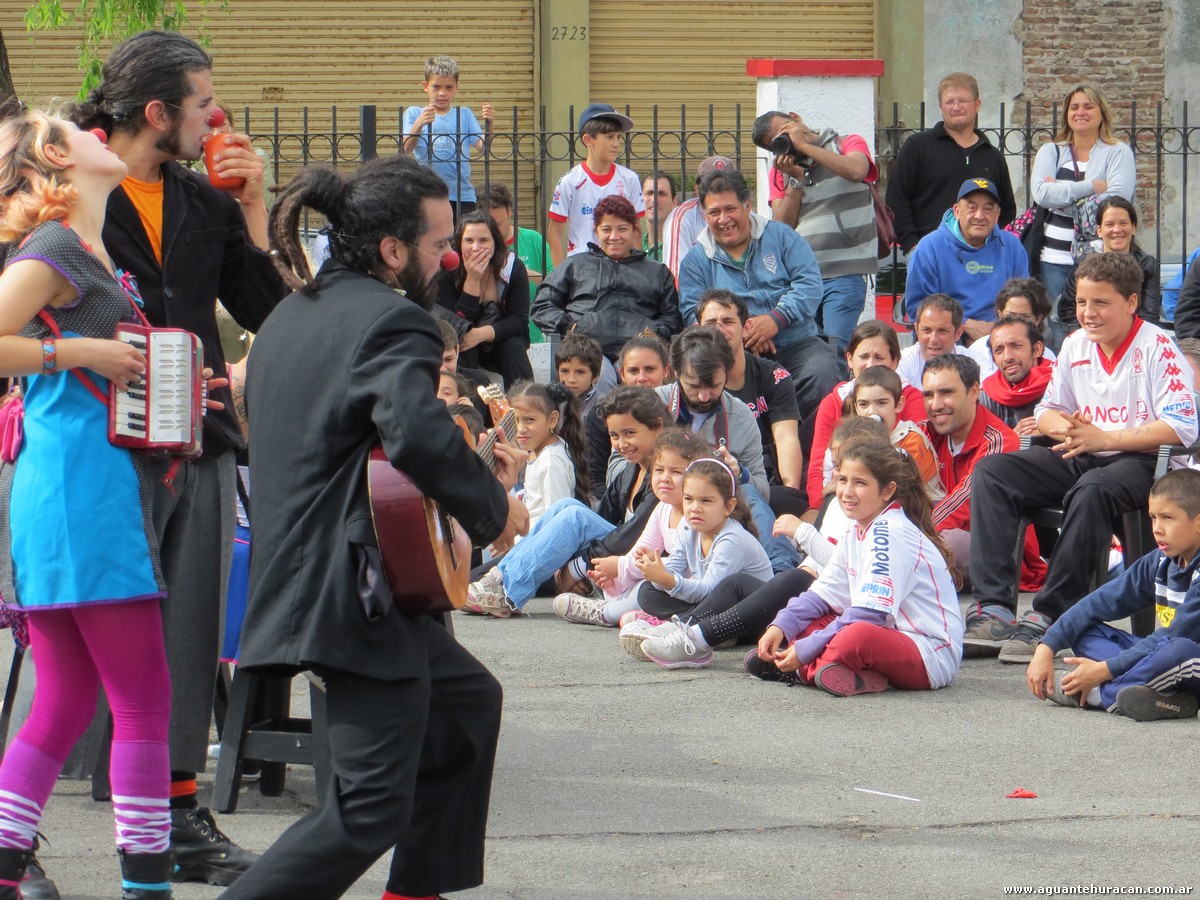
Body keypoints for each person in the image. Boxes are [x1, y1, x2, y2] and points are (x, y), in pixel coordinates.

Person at [226, 154, 528, 900]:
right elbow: (419, 436)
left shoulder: (294, 313)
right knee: (365, 810)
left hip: (331, 577)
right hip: (349, 591)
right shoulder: (395, 319)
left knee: (465, 708)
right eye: (436, 244)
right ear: (393, 250)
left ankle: (415, 891)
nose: (448, 257)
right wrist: (496, 512)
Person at [68, 30, 288, 885]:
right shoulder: (73, 196)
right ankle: (34, 821)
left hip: (195, 441)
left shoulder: (206, 204)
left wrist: (258, 210)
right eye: (202, 103)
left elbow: (270, 309)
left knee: (190, 628)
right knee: (83, 635)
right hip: (98, 442)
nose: (215, 118)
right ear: (157, 112)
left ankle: (178, 816)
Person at [0, 106, 178, 900]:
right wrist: (82, 352)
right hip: (86, 491)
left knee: (69, 698)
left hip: (66, 489)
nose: (96, 133)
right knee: (143, 699)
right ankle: (147, 884)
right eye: (76, 131)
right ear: (57, 164)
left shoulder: (89, 249)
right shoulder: (60, 246)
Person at [969, 252, 1198, 664]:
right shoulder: (1074, 345)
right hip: (1083, 450)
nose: (1088, 313)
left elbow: (1182, 427)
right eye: (1081, 303)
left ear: (1131, 302)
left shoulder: (1159, 347)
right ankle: (994, 609)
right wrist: (1069, 430)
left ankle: (1050, 615)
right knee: (993, 471)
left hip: (1147, 463)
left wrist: (1105, 437)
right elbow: (1047, 411)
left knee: (1092, 488)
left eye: (1100, 303)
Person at [745, 437, 964, 695]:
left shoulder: (889, 531)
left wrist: (805, 649)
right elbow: (821, 596)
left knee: (855, 636)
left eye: (860, 483)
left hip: (929, 652)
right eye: (842, 479)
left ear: (887, 491)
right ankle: (847, 673)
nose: (847, 491)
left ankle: (796, 669)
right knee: (810, 621)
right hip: (886, 632)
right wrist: (780, 626)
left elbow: (871, 615)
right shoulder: (857, 529)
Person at [464, 385, 665, 617]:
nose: (621, 444)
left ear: (657, 427)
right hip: (619, 555)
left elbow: (634, 534)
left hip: (649, 561)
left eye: (630, 433)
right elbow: (601, 523)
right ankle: (499, 580)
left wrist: (575, 569)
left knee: (575, 516)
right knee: (566, 507)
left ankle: (507, 593)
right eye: (614, 435)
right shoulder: (629, 472)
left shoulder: (665, 476)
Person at [678, 168, 840, 451]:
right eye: (714, 212)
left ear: (748, 205)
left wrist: (776, 319)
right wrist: (740, 332)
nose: (724, 219)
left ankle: (802, 462)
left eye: (731, 209)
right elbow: (693, 312)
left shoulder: (781, 237)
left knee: (823, 373)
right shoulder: (695, 260)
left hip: (796, 342)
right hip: (733, 355)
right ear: (704, 215)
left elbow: (810, 284)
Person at [1026, 469, 1200, 721]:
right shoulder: (1159, 561)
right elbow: (1097, 603)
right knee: (1086, 630)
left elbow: (1174, 637)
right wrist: (1047, 646)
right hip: (1163, 659)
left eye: (1168, 518)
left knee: (1177, 649)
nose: (1157, 529)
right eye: (1152, 517)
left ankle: (1092, 693)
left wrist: (1102, 671)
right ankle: (1166, 701)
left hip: (1188, 659)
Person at [653, 328, 794, 573]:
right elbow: (618, 469)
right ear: (675, 373)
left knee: (745, 489)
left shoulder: (740, 414)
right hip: (660, 503)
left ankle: (782, 571)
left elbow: (762, 490)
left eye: (715, 385)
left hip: (715, 514)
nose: (705, 395)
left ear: (726, 374)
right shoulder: (654, 405)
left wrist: (740, 474)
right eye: (694, 386)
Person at [754, 109, 879, 358]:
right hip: (803, 282)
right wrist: (796, 180)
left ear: (796, 118)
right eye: (779, 142)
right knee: (811, 352)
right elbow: (781, 227)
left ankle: (835, 396)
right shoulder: (782, 171)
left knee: (835, 347)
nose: (788, 142)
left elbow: (857, 170)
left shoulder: (845, 143)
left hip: (844, 274)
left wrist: (807, 147)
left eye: (786, 130)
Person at [917, 353, 1042, 599]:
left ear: (974, 391)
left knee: (943, 544)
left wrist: (911, 534)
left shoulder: (1000, 440)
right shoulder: (923, 433)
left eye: (946, 393)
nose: (936, 404)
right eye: (928, 395)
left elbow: (965, 502)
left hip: (1000, 555)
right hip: (937, 532)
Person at [554, 429, 706, 626]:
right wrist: (617, 577)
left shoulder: (695, 515)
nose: (665, 478)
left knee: (647, 587)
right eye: (659, 470)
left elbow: (681, 568)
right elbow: (642, 549)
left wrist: (619, 566)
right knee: (636, 583)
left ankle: (605, 613)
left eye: (676, 472)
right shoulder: (663, 508)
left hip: (703, 592)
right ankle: (649, 617)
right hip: (678, 587)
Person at [634, 459, 774, 667]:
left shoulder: (731, 539)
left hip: (753, 619)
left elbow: (711, 591)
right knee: (646, 591)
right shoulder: (688, 527)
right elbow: (674, 569)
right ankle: (702, 629)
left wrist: (667, 579)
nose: (695, 508)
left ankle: (683, 628)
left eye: (706, 501)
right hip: (711, 607)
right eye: (689, 499)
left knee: (735, 582)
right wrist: (656, 570)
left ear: (728, 506)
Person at [1031, 82, 1136, 347]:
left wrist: (1062, 192)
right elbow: (1042, 195)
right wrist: (1091, 187)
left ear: (1102, 112)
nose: (1081, 112)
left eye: (1088, 106)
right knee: (1058, 327)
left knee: (1098, 326)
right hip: (1053, 258)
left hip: (1101, 258)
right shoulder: (1050, 151)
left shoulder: (1118, 152)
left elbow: (1116, 202)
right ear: (1067, 113)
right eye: (1074, 107)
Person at [532, 195, 681, 360]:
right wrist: (572, 326)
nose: (614, 236)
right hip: (586, 355)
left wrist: (654, 331)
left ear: (635, 232)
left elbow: (673, 318)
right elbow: (543, 306)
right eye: (606, 229)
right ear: (596, 232)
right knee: (598, 376)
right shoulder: (574, 265)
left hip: (640, 355)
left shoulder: (657, 272)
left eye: (622, 229)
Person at [885, 72, 1016, 253]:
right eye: (949, 102)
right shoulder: (917, 147)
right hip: (929, 254)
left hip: (983, 257)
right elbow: (896, 199)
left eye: (963, 101)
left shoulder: (993, 157)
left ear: (977, 104)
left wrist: (991, 247)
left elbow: (1006, 210)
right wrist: (913, 245)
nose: (956, 107)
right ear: (941, 106)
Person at [808, 319, 926, 511]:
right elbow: (818, 464)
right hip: (842, 498)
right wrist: (816, 508)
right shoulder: (834, 400)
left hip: (899, 503)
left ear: (894, 362)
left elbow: (915, 467)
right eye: (863, 356)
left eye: (879, 357)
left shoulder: (911, 398)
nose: (870, 365)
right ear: (849, 359)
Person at [696, 289, 802, 496]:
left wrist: (791, 491)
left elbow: (786, 438)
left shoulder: (774, 376)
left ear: (746, 328)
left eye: (727, 321)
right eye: (710, 323)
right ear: (696, 329)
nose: (718, 330)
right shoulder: (691, 382)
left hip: (761, 478)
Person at [904, 178, 1030, 338]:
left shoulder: (1011, 245)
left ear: (997, 215)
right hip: (949, 336)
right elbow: (918, 307)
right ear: (956, 211)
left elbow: (1024, 299)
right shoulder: (929, 247)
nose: (979, 215)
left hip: (1002, 334)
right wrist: (965, 325)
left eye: (988, 209)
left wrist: (997, 329)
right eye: (972, 207)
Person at [435, 210, 533, 387]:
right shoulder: (447, 271)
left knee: (514, 347)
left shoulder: (512, 267)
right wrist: (473, 279)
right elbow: (453, 323)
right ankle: (467, 408)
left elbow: (518, 320)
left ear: (495, 242)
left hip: (499, 339)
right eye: (469, 241)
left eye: (483, 240)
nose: (476, 248)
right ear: (459, 244)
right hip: (462, 342)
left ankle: (527, 403)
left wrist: (480, 334)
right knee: (463, 349)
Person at [546, 103, 644, 266]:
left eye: (618, 137)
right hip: (582, 268)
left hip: (620, 267)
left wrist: (635, 267)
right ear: (588, 140)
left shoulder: (630, 179)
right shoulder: (569, 182)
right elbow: (554, 233)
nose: (616, 144)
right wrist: (560, 276)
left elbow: (636, 230)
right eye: (609, 137)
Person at [402, 55, 492, 220]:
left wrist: (489, 124)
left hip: (462, 194)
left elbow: (483, 148)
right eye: (436, 87)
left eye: (449, 87)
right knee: (431, 241)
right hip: (427, 194)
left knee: (462, 241)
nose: (442, 93)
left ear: (456, 87)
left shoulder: (464, 114)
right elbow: (406, 148)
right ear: (425, 86)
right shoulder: (414, 113)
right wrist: (420, 122)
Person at [584, 333, 672, 498]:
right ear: (622, 374)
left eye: (650, 369)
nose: (641, 378)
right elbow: (594, 477)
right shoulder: (601, 413)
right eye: (633, 371)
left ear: (666, 370)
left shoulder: (676, 409)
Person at [1058, 197, 1161, 328]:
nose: (1117, 230)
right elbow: (1067, 309)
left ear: (1133, 228)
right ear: (1099, 230)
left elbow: (1150, 315)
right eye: (1110, 224)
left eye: (1123, 223)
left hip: (1132, 337)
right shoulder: (1084, 263)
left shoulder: (1147, 265)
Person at [850, 366, 942, 500]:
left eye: (881, 403)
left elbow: (897, 490)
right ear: (856, 408)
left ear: (899, 404)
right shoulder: (857, 437)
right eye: (864, 404)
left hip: (921, 508)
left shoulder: (912, 439)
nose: (872, 412)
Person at [508, 380, 590, 527]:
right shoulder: (540, 448)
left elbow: (557, 522)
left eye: (529, 420)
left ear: (552, 420)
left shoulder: (551, 461)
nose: (520, 429)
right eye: (515, 420)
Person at [479, 182, 552, 340]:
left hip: (533, 335)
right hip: (490, 334)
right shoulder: (476, 246)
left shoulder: (534, 240)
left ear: (510, 212)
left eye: (498, 223)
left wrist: (525, 274)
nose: (494, 231)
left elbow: (557, 284)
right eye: (489, 224)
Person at [966, 277, 1056, 380]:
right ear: (999, 314)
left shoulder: (1047, 356)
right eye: (1010, 316)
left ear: (1037, 319)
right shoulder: (978, 350)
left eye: (1024, 318)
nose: (1016, 323)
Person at [660, 155, 733, 279]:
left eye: (727, 184)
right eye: (711, 185)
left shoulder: (744, 214)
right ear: (697, 188)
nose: (720, 190)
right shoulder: (682, 218)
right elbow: (678, 276)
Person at [978, 313, 1053, 434]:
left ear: (1037, 350)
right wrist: (1012, 440)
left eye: (1015, 346)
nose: (1007, 357)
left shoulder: (1060, 385)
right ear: (993, 359)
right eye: (999, 350)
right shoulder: (985, 397)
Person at [895, 293, 972, 391]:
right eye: (927, 330)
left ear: (958, 333)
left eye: (942, 331)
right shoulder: (902, 362)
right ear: (917, 330)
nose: (933, 339)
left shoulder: (973, 359)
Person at [555, 331, 617, 420]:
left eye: (580, 372)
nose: (571, 379)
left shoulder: (603, 408)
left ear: (595, 376)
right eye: (565, 371)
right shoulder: (551, 403)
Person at [642, 171, 677, 261]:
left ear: (674, 202)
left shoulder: (678, 245)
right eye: (649, 193)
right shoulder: (631, 244)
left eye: (661, 194)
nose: (654, 200)